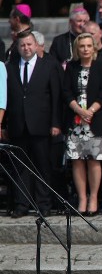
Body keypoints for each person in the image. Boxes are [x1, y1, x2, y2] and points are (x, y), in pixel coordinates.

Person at [6, 31, 62, 218]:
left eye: (29, 44)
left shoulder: (48, 66)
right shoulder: (10, 67)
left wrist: (55, 123)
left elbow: (55, 96)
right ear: (17, 47)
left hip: (41, 124)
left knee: (41, 166)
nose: (26, 48)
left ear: (36, 45)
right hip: (17, 125)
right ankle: (21, 204)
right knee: (19, 167)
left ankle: (44, 204)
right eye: (22, 45)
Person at [62, 33, 102, 216]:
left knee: (94, 160)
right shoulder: (71, 67)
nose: (85, 49)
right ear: (77, 49)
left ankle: (94, 198)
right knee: (77, 161)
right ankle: (82, 198)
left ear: (94, 47)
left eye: (89, 46)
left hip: (94, 121)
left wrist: (90, 111)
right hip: (76, 122)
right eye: (82, 46)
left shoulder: (101, 66)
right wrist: (79, 110)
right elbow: (66, 92)